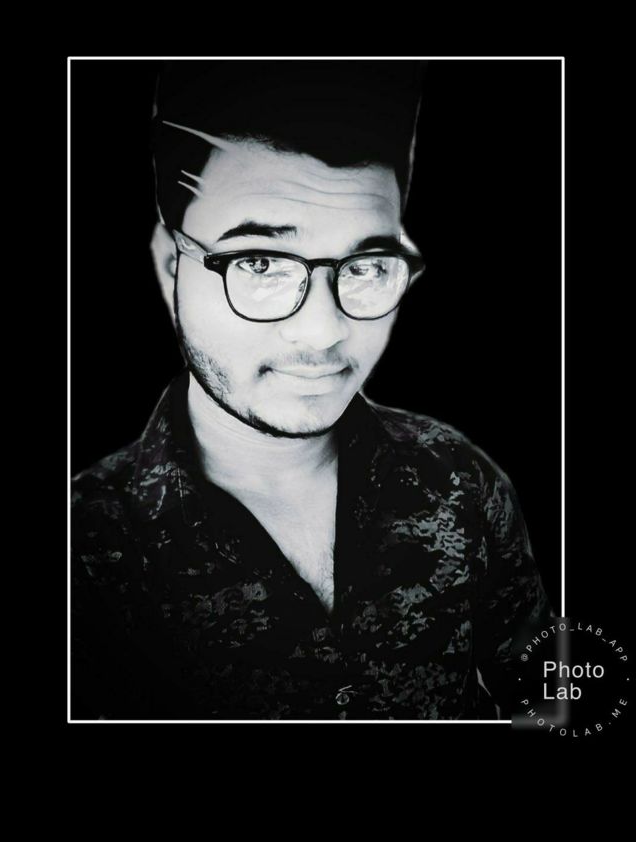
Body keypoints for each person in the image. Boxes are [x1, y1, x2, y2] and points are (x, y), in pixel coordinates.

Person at [71, 59, 555, 721]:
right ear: (169, 267)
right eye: (260, 262)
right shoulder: (86, 552)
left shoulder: (462, 480)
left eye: (366, 265)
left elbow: (547, 697)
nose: (325, 330)